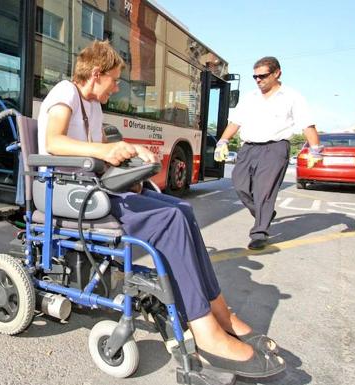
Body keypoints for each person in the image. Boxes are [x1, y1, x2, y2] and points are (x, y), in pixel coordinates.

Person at [38, 40, 285, 378]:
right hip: (68, 193)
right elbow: (53, 142)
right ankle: (205, 330)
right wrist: (106, 152)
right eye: (115, 79)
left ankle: (217, 310)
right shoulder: (65, 93)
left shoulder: (92, 106)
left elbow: (97, 156)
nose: (117, 86)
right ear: (96, 74)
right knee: (169, 221)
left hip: (91, 189)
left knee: (181, 211)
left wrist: (128, 159)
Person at [215, 56, 322, 250]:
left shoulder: (292, 97)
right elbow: (235, 122)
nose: (258, 80)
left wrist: (315, 149)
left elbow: (307, 124)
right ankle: (264, 213)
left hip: (275, 148)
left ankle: (259, 233)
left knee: (265, 191)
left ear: (276, 73)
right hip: (248, 147)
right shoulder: (250, 97)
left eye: (262, 76)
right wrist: (222, 141)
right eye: (255, 77)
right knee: (240, 186)